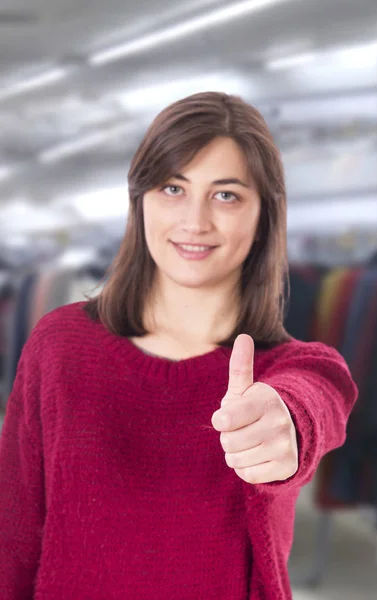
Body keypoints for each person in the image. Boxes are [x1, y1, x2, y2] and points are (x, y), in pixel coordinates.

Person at [0, 91, 358, 600]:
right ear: (140, 199)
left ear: (264, 215)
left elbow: (319, 397)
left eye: (226, 195)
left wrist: (286, 424)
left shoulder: (289, 372)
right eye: (173, 187)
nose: (195, 221)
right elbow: (14, 539)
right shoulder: (60, 345)